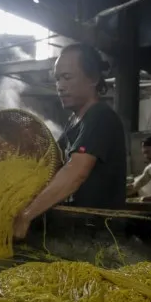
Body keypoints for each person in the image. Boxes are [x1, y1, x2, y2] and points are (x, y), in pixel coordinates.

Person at [13, 43, 126, 239]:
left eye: (67, 77)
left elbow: (76, 172)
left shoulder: (100, 116)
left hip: (100, 236)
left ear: (93, 78)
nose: (60, 86)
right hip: (77, 231)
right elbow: (51, 165)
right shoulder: (74, 122)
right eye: (57, 79)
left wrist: (27, 215)